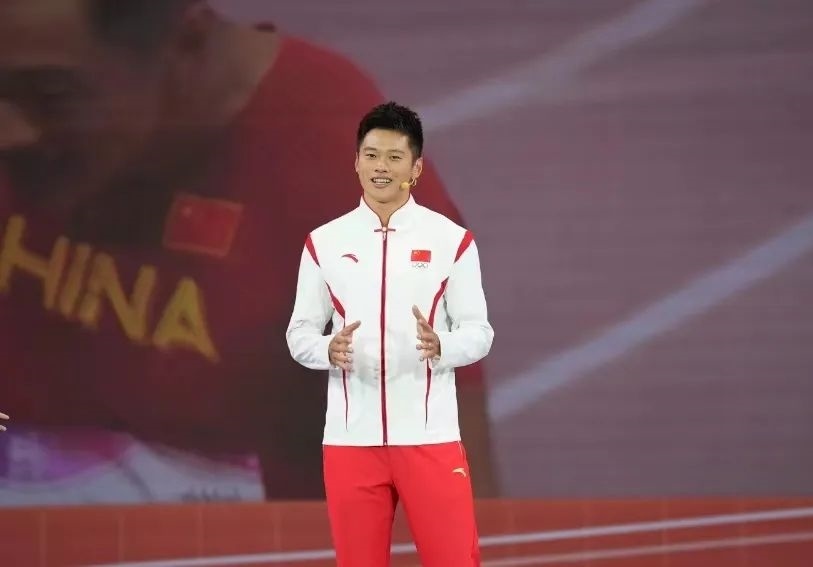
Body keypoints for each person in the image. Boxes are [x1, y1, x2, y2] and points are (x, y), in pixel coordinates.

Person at [0, 0, 497, 503]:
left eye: (52, 96)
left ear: (186, 45)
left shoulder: (349, 197)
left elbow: (443, 509)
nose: (9, 133)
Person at [287, 102, 493, 566]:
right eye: (372, 155)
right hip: (350, 442)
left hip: (430, 438)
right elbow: (299, 333)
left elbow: (479, 332)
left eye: (394, 157)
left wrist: (443, 345)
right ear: (356, 162)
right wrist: (327, 348)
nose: (381, 167)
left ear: (415, 169)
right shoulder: (325, 242)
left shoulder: (450, 240)